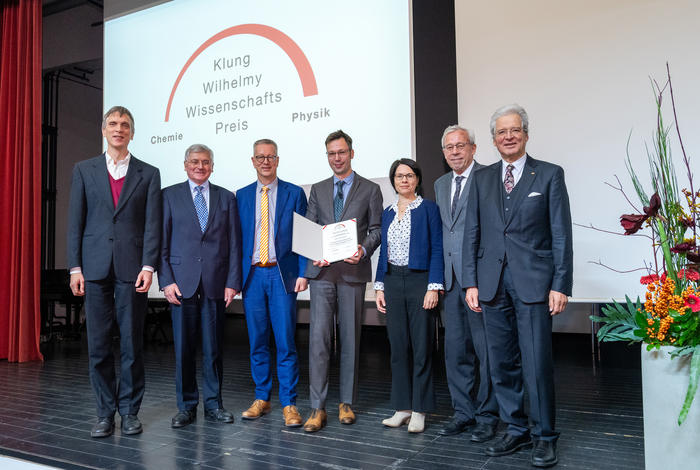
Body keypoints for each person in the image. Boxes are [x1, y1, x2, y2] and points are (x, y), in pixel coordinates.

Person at [463, 104, 573, 467]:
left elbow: (560, 234)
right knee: (502, 363)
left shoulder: (549, 175)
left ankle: (544, 435)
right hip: (491, 285)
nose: (508, 137)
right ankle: (515, 428)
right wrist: (471, 282)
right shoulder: (481, 179)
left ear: (526, 134)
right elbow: (473, 234)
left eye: (514, 130)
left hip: (535, 285)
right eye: (501, 132)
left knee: (536, 362)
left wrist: (561, 283)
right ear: (493, 139)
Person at [67, 106, 162, 437]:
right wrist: (75, 268)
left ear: (132, 133)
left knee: (132, 345)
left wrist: (149, 265)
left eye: (125, 125)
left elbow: (153, 225)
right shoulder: (84, 170)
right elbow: (75, 222)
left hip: (132, 269)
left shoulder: (148, 173)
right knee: (98, 346)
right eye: (113, 124)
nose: (119, 129)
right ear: (104, 130)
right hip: (93, 269)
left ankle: (130, 412)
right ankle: (105, 413)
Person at [303, 129, 383, 432]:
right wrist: (315, 250)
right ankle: (317, 407)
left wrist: (363, 248)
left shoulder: (370, 189)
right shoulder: (318, 189)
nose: (337, 158)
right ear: (328, 156)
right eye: (331, 153)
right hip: (322, 273)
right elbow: (311, 227)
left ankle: (346, 402)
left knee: (350, 339)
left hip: (352, 272)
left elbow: (375, 229)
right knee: (318, 342)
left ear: (351, 152)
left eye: (341, 152)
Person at [159, 144, 242, 428]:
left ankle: (214, 405)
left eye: (205, 162)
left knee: (213, 348)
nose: (200, 166)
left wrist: (233, 282)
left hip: (216, 284)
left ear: (212, 166)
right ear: (185, 165)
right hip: (181, 284)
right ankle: (186, 406)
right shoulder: (168, 196)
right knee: (183, 348)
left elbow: (234, 244)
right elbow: (162, 242)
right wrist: (166, 280)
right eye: (194, 162)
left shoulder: (226, 197)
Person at [236, 138, 308, 427]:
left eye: (270, 157)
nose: (265, 161)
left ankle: (289, 403)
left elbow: (303, 236)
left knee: (286, 342)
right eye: (260, 157)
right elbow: (235, 241)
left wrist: (304, 272)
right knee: (257, 342)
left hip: (282, 276)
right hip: (252, 276)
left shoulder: (294, 193)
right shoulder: (240, 195)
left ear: (277, 160)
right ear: (253, 161)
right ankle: (262, 398)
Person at [433, 125, 498, 440]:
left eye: (460, 146)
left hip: (482, 282)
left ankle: (488, 415)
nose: (455, 152)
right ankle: (463, 413)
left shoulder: (490, 178)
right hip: (451, 281)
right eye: (449, 147)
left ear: (473, 148)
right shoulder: (440, 183)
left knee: (487, 352)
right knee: (455, 351)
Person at [374, 159, 443, 433]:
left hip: (419, 282)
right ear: (393, 180)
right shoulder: (388, 212)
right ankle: (402, 407)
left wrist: (433, 286)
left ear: (417, 179)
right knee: (398, 347)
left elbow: (437, 248)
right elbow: (384, 251)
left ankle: (419, 410)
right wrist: (379, 285)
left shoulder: (428, 209)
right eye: (399, 176)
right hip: (392, 281)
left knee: (422, 347)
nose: (404, 180)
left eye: (409, 175)